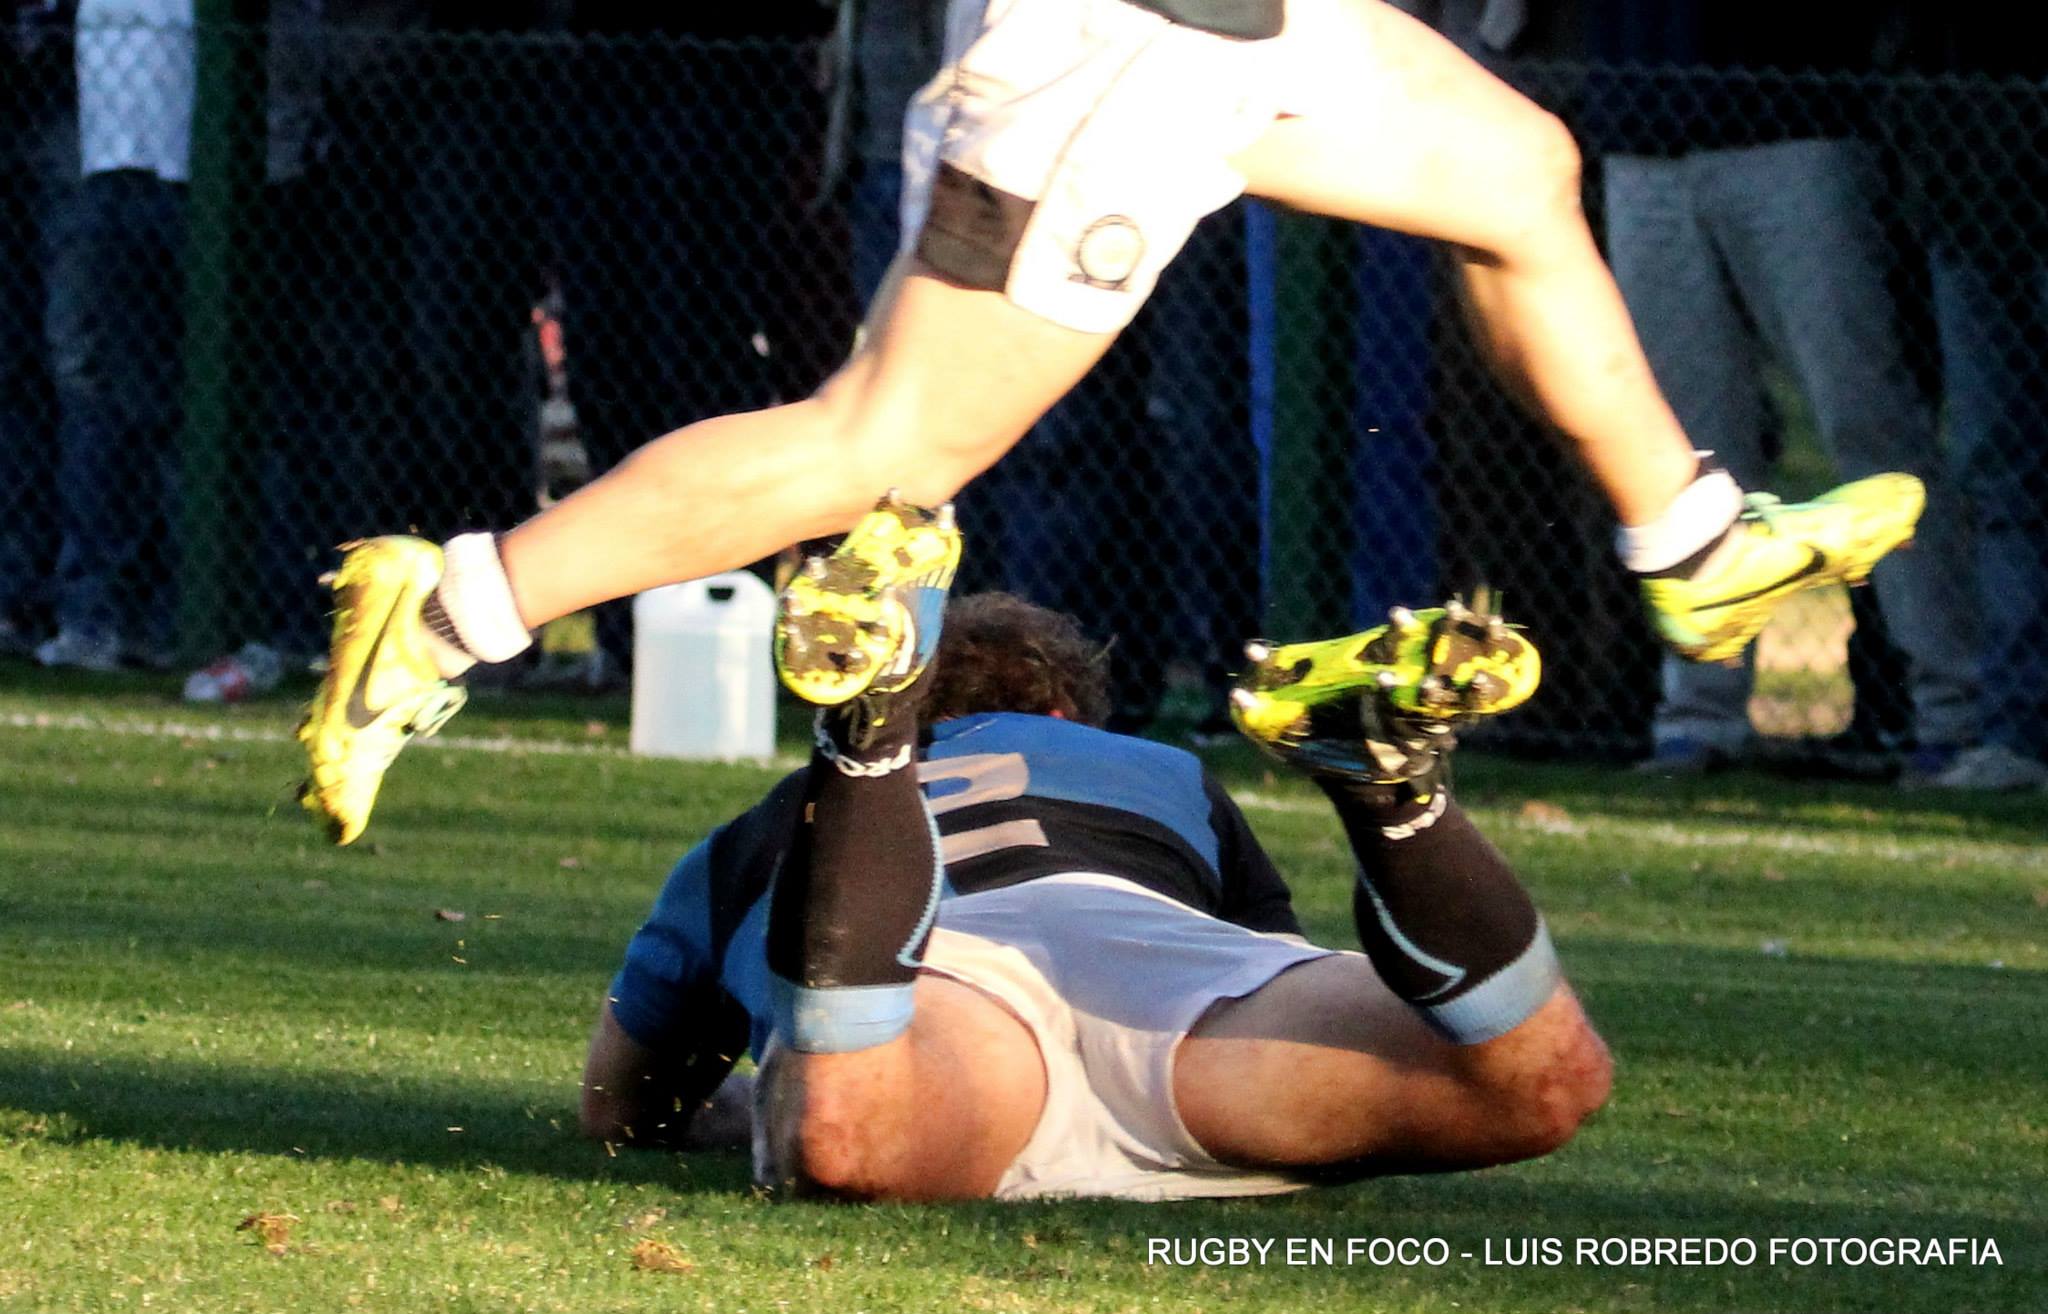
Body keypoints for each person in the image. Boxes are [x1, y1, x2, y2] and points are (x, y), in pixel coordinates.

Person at [298, 0, 1928, 846]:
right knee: (878, 444)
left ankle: (1696, 541)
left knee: (1517, 171)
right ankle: (449, 606)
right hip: (1120, 54)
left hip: (1237, 25)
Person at [580, 502, 1608, 1199]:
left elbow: (623, 1101)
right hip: (1160, 962)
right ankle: (1392, 797)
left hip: (938, 989)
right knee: (1541, 1085)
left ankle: (865, 743)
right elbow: (1262, 958)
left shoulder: (744, 837)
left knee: (840, 1137)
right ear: (1065, 707)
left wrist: (761, 1096)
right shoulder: (1157, 770)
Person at [1566, 2, 1983, 774]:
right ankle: (1699, 715)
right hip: (1641, 136)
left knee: (1868, 423)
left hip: (1799, 129)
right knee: (1678, 447)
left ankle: (1954, 709)